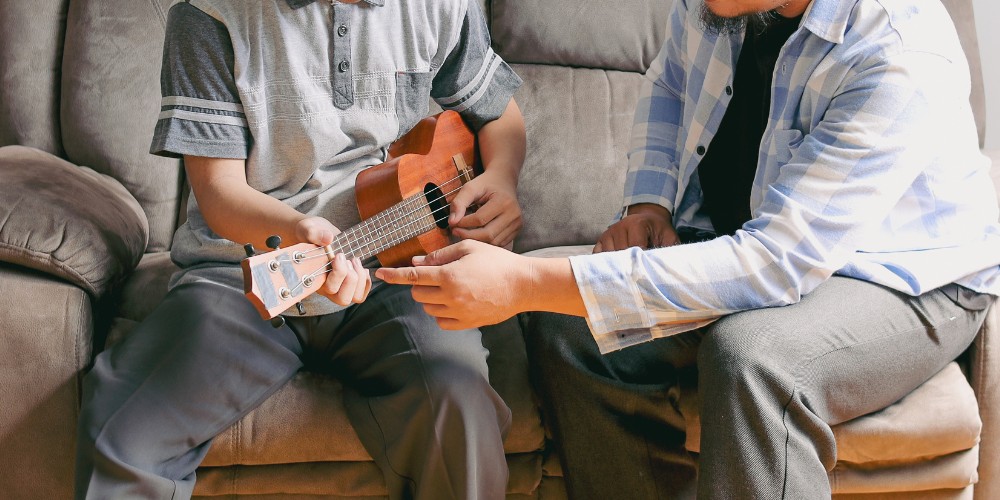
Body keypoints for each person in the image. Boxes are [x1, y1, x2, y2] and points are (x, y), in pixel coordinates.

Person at [376, 0, 1000, 497]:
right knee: (572, 330)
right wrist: (648, 204)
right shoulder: (717, 4)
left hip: (900, 276)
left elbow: (773, 263)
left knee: (753, 357)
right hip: (749, 235)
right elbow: (670, 83)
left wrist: (525, 282)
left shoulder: (896, 50)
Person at [73, 1, 525, 499]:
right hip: (240, 273)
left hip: (394, 275)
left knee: (461, 409)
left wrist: (502, 179)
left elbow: (499, 115)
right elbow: (219, 191)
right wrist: (297, 229)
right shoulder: (208, 14)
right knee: (122, 436)